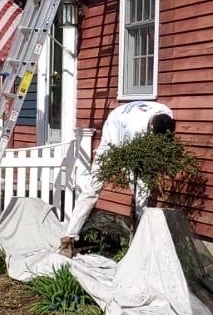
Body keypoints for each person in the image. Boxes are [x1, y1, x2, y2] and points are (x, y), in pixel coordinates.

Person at [59, 99, 176, 253]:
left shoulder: (167, 113)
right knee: (94, 186)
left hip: (127, 122)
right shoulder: (135, 129)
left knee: (142, 193)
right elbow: (127, 156)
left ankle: (140, 242)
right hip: (114, 129)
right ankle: (69, 238)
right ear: (151, 128)